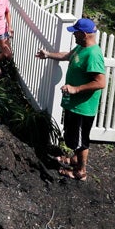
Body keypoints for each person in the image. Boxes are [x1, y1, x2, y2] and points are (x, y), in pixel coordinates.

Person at [35, 17, 106, 181]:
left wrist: (76, 89)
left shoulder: (93, 55)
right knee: (73, 136)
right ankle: (74, 159)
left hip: (83, 107)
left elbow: (100, 82)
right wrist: (48, 55)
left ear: (85, 34)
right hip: (75, 105)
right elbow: (68, 56)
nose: (74, 35)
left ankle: (80, 172)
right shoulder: (81, 48)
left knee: (81, 141)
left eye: (76, 33)